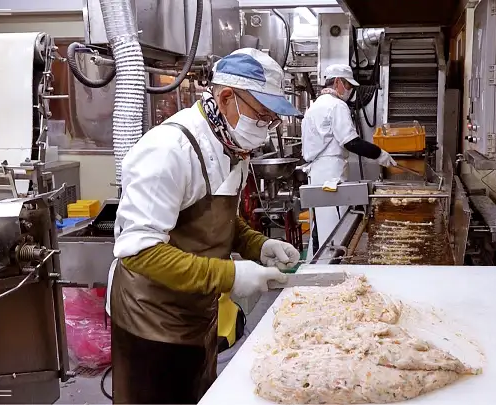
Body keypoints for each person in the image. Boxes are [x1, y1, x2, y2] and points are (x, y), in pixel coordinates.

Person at [105, 48, 302, 404]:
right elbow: (140, 253)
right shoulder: (169, 151)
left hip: (198, 314)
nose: (266, 128)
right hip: (152, 321)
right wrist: (232, 276)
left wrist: (258, 245)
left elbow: (221, 218)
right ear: (227, 97)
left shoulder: (230, 144)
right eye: (263, 116)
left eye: (272, 120)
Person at [301, 64, 396, 257]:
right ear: (337, 82)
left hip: (317, 173)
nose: (350, 91)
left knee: (319, 226)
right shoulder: (336, 105)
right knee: (334, 230)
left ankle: (314, 266)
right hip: (330, 175)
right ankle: (329, 274)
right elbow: (351, 142)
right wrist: (381, 155)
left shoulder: (315, 105)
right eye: (348, 85)